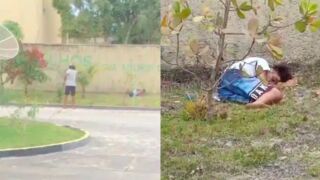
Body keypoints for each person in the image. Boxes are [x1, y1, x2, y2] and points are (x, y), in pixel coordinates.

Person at [217, 57, 294, 108]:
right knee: (276, 93)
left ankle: (255, 104)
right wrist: (271, 90)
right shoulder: (263, 63)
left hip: (223, 90)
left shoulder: (252, 82)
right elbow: (262, 78)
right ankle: (256, 104)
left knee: (270, 98)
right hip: (235, 75)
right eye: (273, 79)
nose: (271, 83)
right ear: (272, 70)